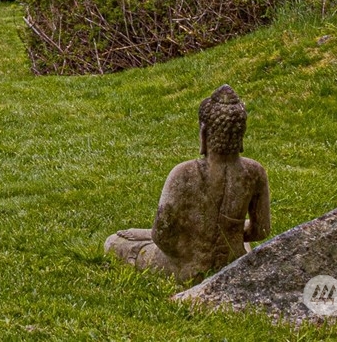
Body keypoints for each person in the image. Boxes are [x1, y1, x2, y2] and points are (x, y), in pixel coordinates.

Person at [106, 85, 271, 283]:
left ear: (204, 132)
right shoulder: (254, 172)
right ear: (240, 134)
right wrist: (231, 230)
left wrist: (188, 255)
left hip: (186, 267)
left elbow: (162, 236)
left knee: (114, 242)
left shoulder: (184, 174)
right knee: (243, 246)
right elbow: (260, 230)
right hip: (231, 263)